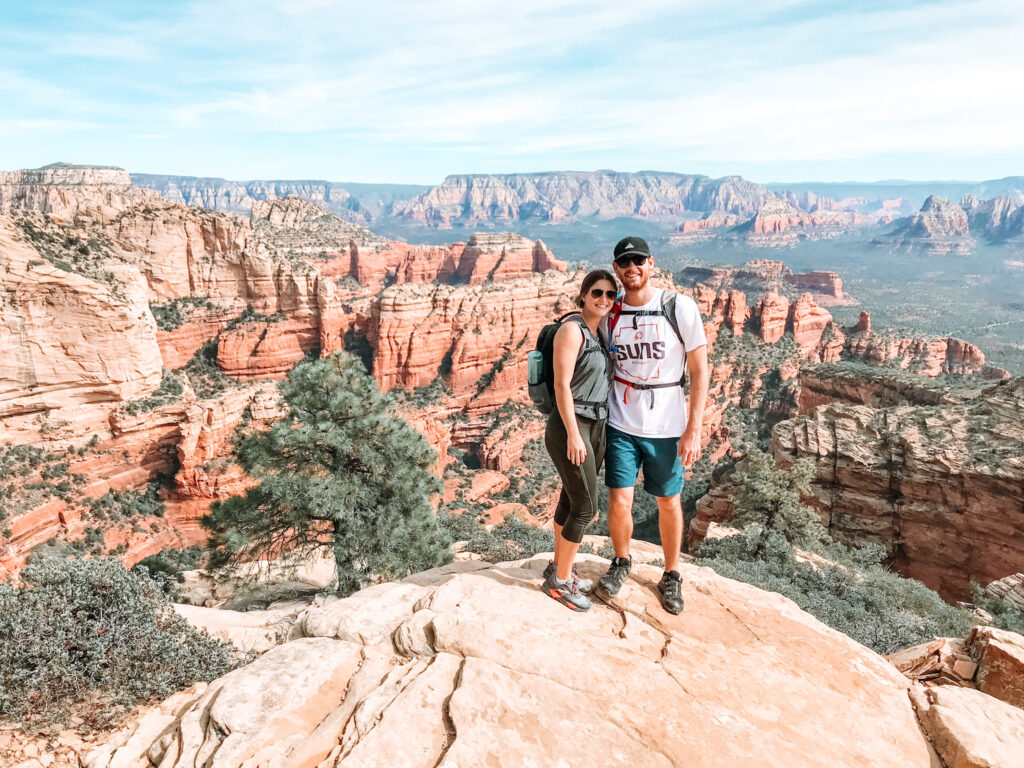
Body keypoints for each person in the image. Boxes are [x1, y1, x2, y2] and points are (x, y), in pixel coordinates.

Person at [595, 236, 708, 614]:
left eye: (638, 260)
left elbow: (699, 369)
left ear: (651, 263)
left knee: (668, 501)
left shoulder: (678, 307)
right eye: (625, 262)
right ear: (617, 269)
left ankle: (672, 574)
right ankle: (622, 561)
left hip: (667, 425)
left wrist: (694, 427)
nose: (632, 268)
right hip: (622, 421)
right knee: (618, 499)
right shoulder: (611, 314)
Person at [542, 269, 617, 611]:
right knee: (586, 507)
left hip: (596, 426)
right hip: (572, 427)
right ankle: (559, 582)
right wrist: (574, 434)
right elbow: (561, 386)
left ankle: (559, 567)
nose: (603, 299)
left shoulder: (599, 333)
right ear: (583, 295)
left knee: (571, 500)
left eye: (609, 295)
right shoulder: (572, 331)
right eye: (597, 293)